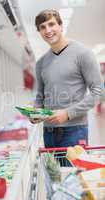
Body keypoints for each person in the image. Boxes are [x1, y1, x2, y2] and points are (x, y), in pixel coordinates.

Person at [32, 9, 104, 151]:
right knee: (54, 174)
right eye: (42, 27)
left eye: (51, 24)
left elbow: (99, 92)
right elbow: (40, 96)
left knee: (74, 173)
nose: (48, 30)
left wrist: (68, 113)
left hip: (74, 130)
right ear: (39, 32)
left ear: (60, 25)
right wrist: (35, 111)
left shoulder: (83, 53)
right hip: (48, 132)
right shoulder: (40, 63)